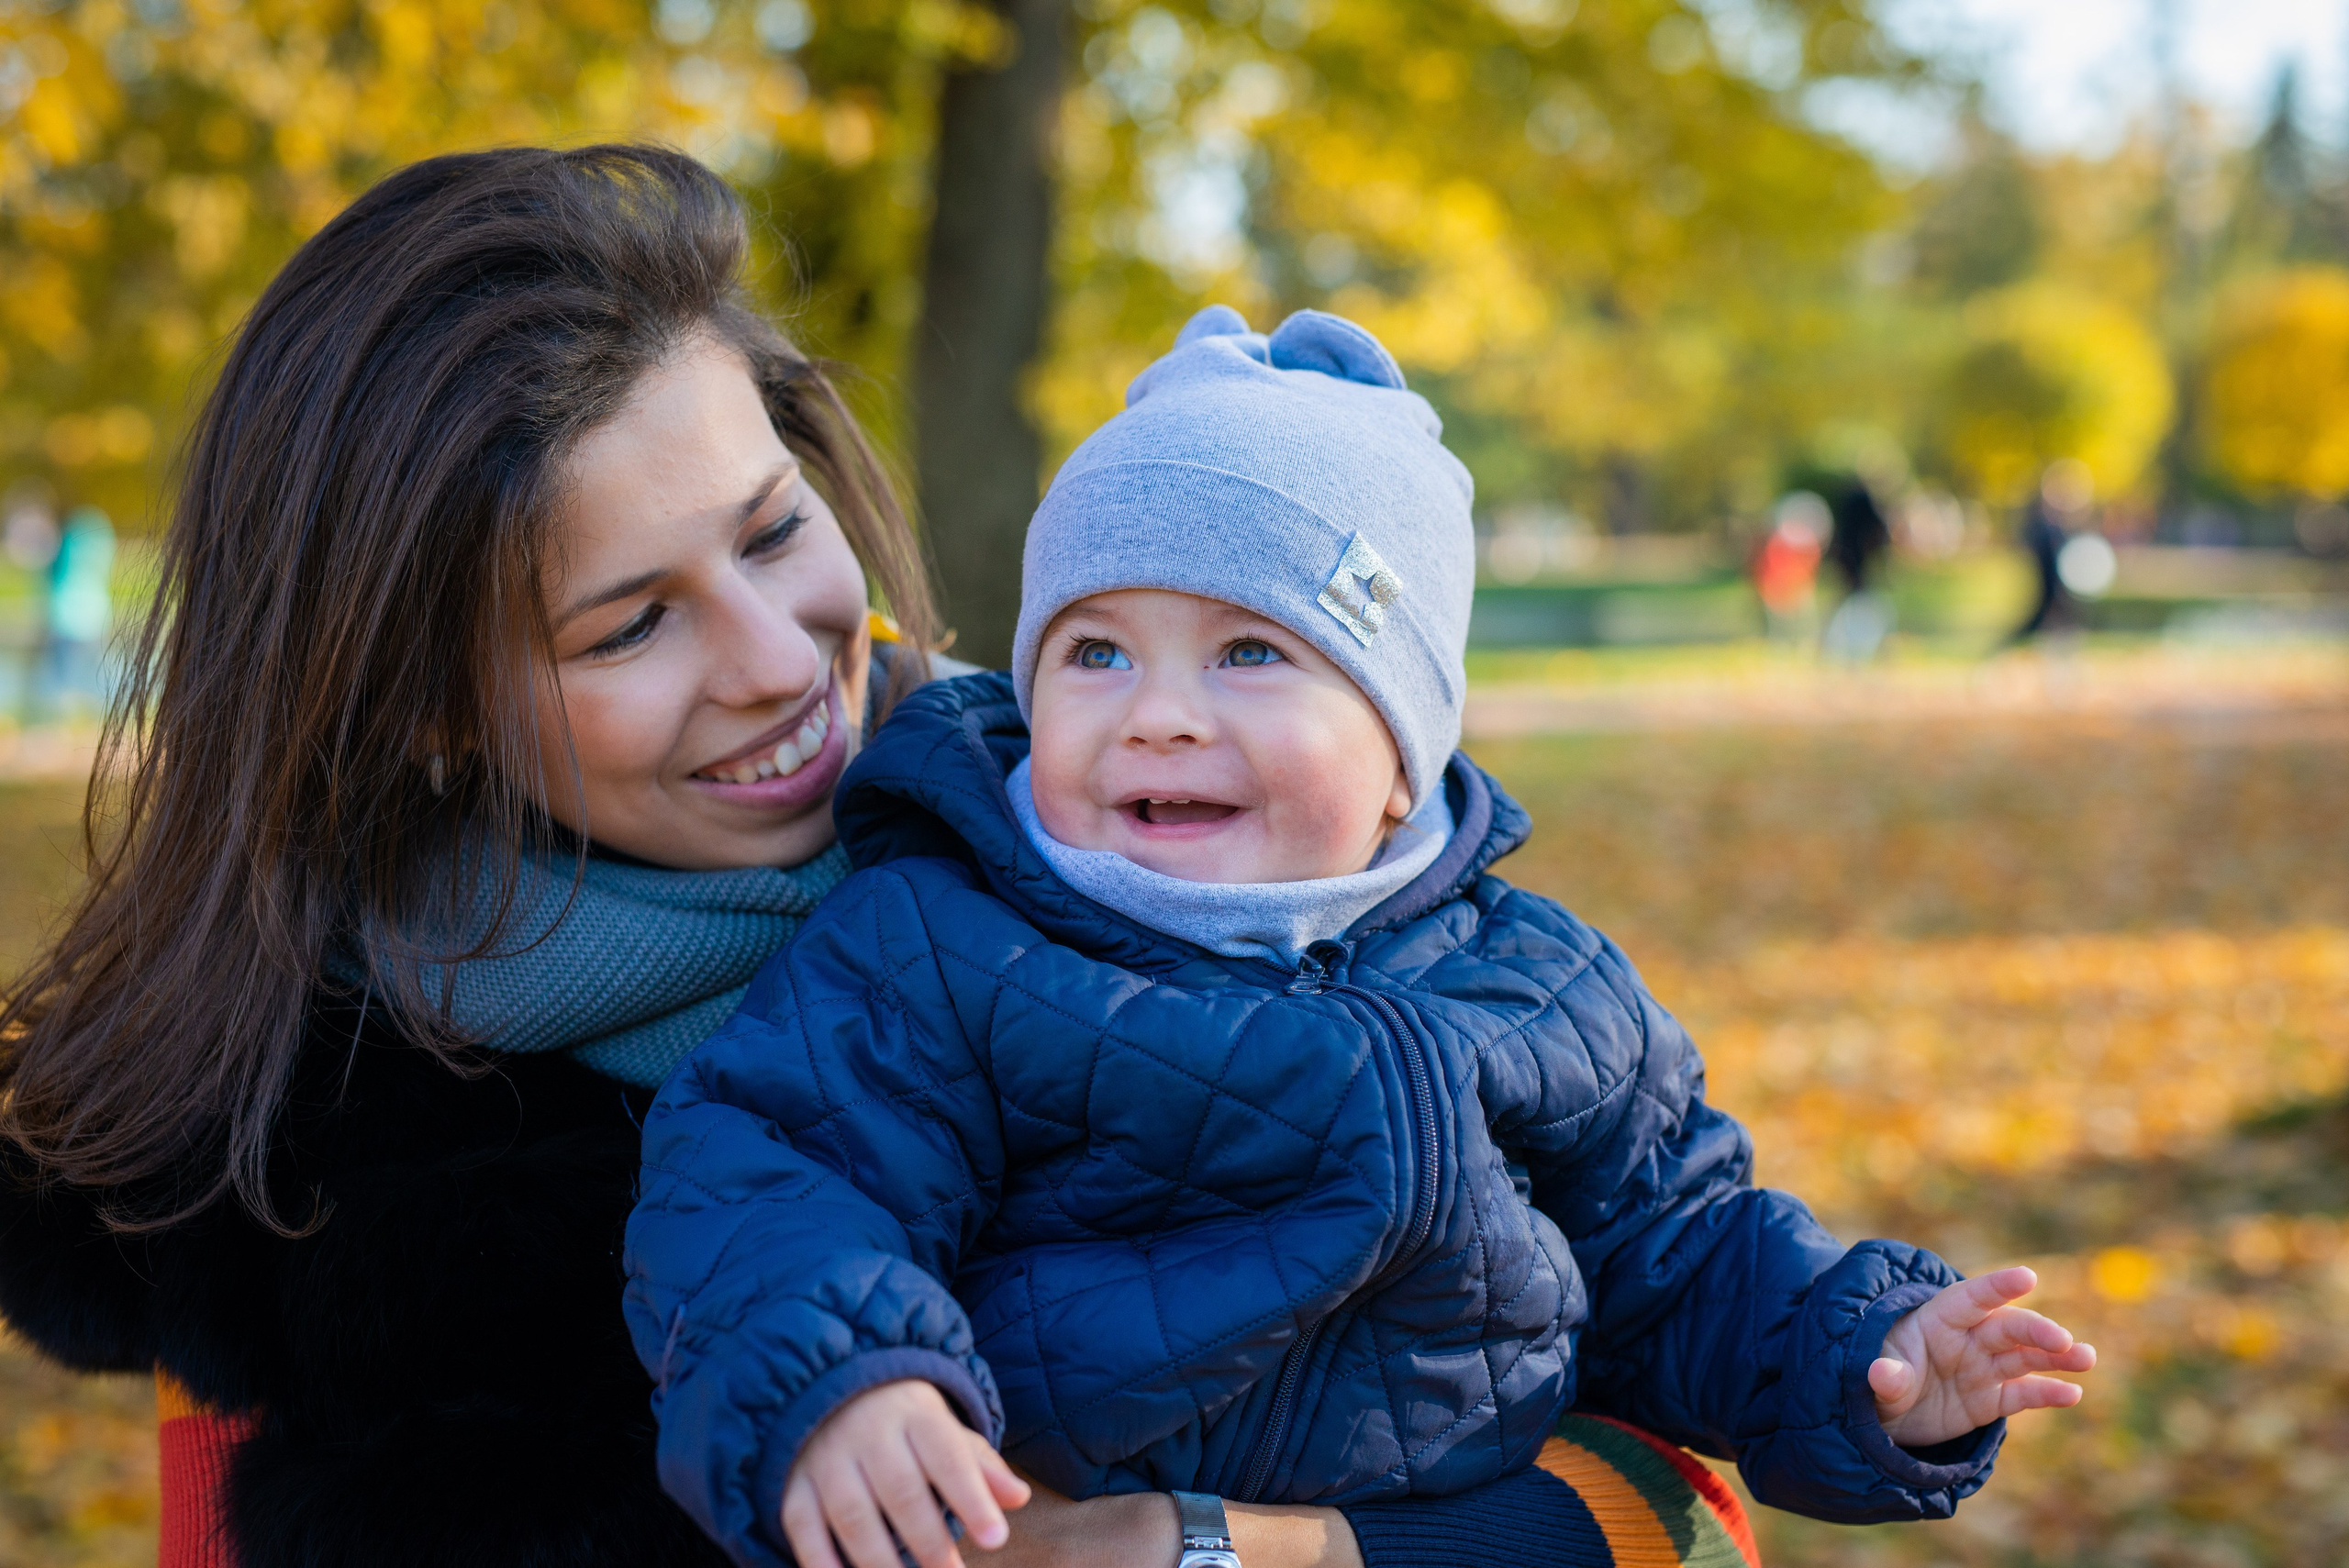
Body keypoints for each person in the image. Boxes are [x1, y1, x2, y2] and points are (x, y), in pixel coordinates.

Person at [0, 146, 1712, 1568]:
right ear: (428, 712)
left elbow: (1690, 1513)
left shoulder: (1185, 852)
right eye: (628, 627)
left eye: (769, 532)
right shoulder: (289, 1171)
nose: (775, 657)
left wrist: (1242, 1548)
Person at [627, 308, 2096, 1568]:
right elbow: (778, 1171)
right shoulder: (949, 940)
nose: (1160, 709)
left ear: (1403, 750)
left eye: (1252, 651)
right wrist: (845, 1382)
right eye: (1096, 650)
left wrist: (1871, 1356)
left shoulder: (1539, 983)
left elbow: (1686, 1252)